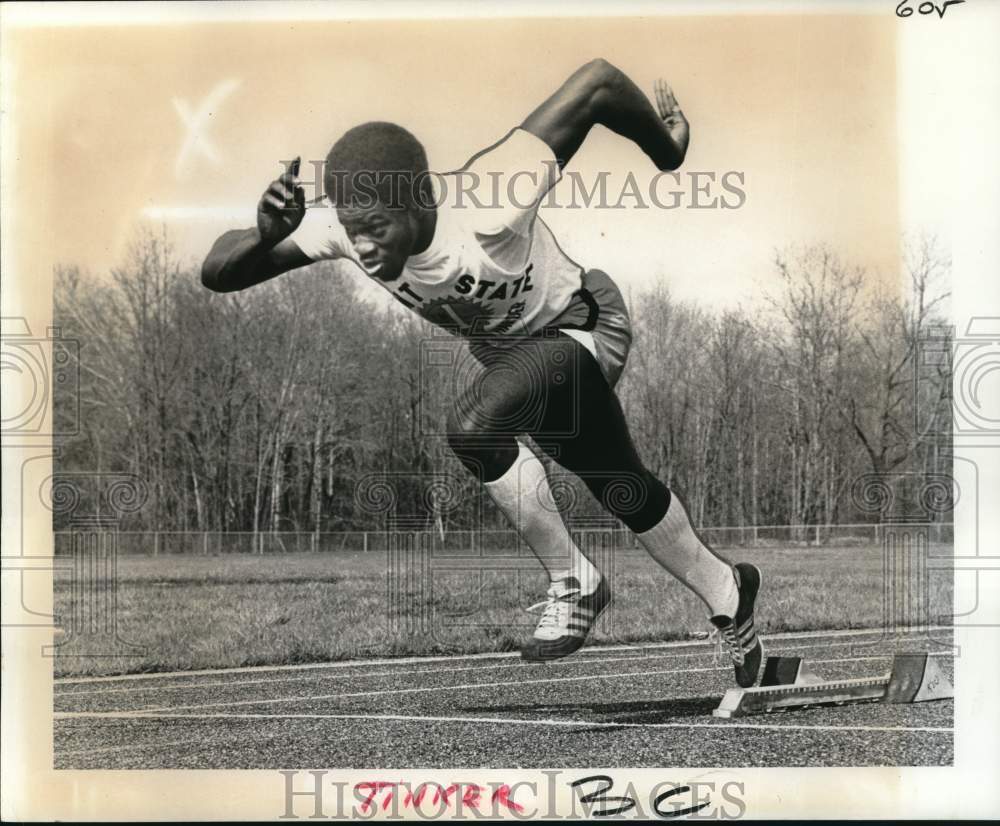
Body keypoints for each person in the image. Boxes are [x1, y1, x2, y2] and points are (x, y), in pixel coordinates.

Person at [202, 59, 763, 687]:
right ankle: (729, 590)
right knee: (619, 484)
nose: (362, 250)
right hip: (514, 359)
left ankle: (574, 582)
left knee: (472, 427)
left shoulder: (489, 197)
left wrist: (669, 152)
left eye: (376, 231)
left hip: (581, 326)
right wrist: (261, 235)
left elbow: (599, 84)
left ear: (420, 200)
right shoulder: (348, 223)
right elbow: (218, 272)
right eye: (352, 233)